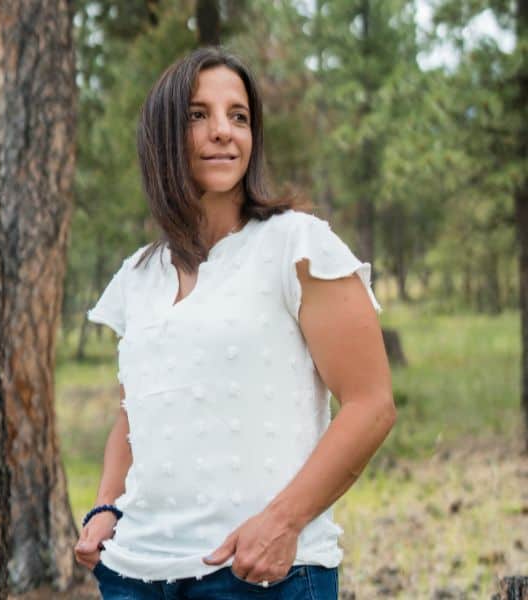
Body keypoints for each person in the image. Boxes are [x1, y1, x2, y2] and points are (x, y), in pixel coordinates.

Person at [74, 46, 396, 600]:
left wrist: (282, 523)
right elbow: (135, 416)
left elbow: (371, 405)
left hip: (258, 575)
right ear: (162, 136)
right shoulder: (137, 275)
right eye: (198, 115)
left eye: (238, 116)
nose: (223, 130)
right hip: (133, 576)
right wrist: (106, 505)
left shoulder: (298, 245)